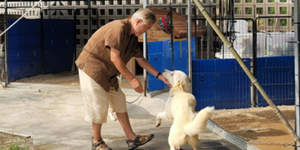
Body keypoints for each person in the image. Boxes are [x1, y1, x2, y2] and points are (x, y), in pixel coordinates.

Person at [76, 8, 171, 150]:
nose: (146, 31)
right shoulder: (118, 28)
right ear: (138, 22)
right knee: (98, 105)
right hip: (93, 69)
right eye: (147, 27)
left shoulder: (132, 37)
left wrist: (160, 76)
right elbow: (115, 57)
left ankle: (132, 138)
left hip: (109, 73)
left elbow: (141, 60)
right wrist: (132, 79)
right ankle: (97, 141)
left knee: (119, 100)